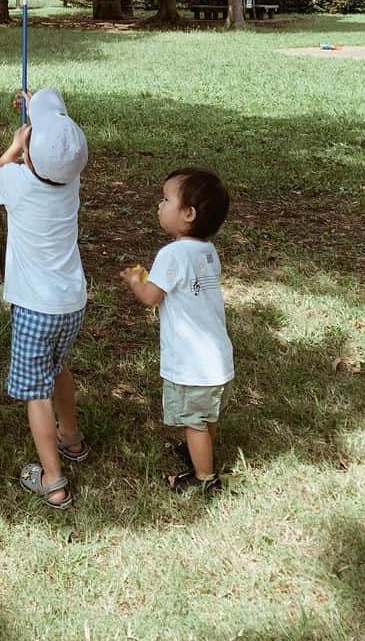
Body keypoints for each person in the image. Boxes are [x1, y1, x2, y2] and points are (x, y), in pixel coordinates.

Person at [0, 87, 90, 511]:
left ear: (29, 155)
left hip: (35, 309)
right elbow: (57, 129)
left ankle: (53, 479)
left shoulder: (15, 180)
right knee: (58, 366)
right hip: (72, 303)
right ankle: (73, 437)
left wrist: (11, 149)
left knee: (36, 392)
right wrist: (34, 107)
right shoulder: (72, 177)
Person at [120, 168, 233, 495]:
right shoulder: (207, 252)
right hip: (218, 361)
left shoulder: (172, 254)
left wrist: (135, 281)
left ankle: (203, 478)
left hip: (192, 367)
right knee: (207, 416)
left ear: (188, 214)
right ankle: (203, 455)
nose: (160, 204)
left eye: (166, 199)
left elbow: (151, 297)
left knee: (194, 423)